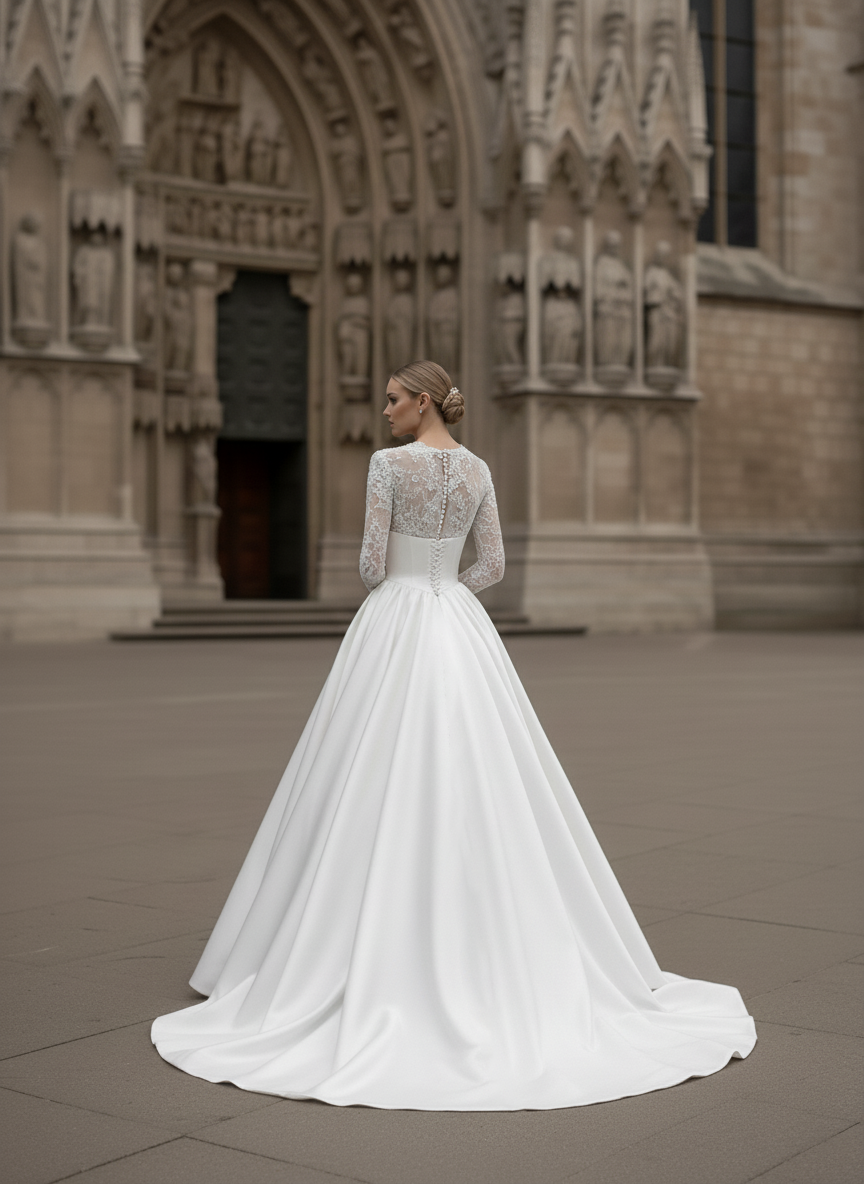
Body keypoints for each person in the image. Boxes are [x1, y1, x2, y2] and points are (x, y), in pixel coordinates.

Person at [152, 360, 755, 1109]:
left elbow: (373, 566)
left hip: (396, 622)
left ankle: (326, 947)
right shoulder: (475, 470)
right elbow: (492, 563)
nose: (385, 411)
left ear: (425, 403)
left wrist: (410, 588)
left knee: (362, 772)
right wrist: (445, 597)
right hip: (458, 626)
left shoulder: (387, 466)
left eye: (395, 400)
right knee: (487, 772)